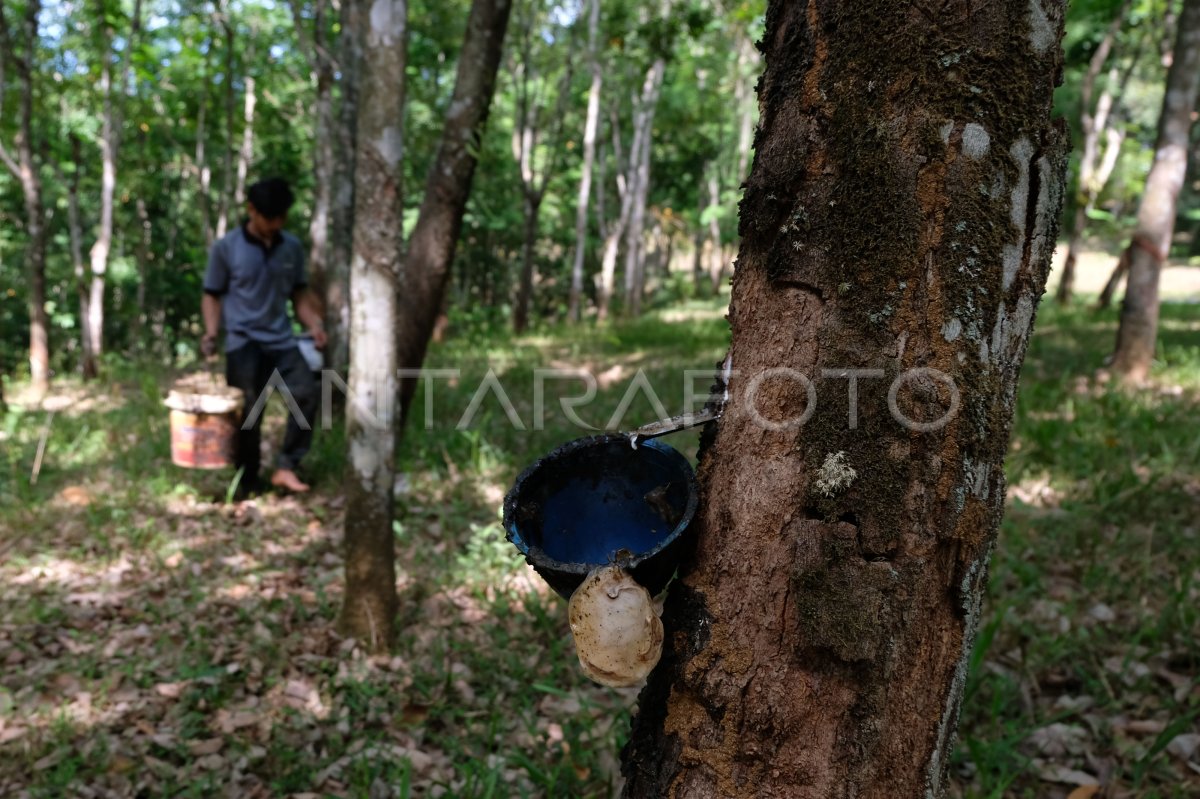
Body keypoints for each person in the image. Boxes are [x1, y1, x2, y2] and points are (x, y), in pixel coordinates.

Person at [200, 177, 325, 494]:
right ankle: (246, 480)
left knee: (306, 394)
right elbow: (212, 294)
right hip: (243, 343)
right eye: (269, 217)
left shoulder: (292, 248)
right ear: (251, 210)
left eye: (281, 217)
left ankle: (286, 466)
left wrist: (313, 325)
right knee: (248, 414)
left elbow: (299, 295)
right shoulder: (227, 248)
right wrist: (212, 332)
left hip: (282, 340)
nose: (275, 224)